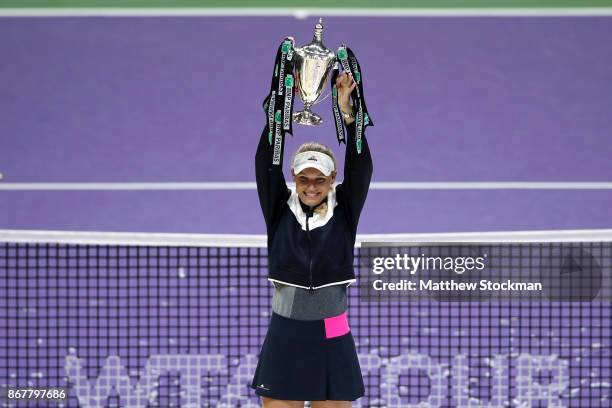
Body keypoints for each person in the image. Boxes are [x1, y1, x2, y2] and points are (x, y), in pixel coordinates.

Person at [251, 71, 373, 408]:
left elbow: (361, 166)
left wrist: (349, 112)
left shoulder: (345, 210)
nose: (311, 186)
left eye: (320, 179)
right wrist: (281, 109)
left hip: (332, 332)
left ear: (333, 178)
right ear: (294, 177)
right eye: (304, 178)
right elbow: (265, 161)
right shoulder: (278, 209)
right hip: (285, 332)